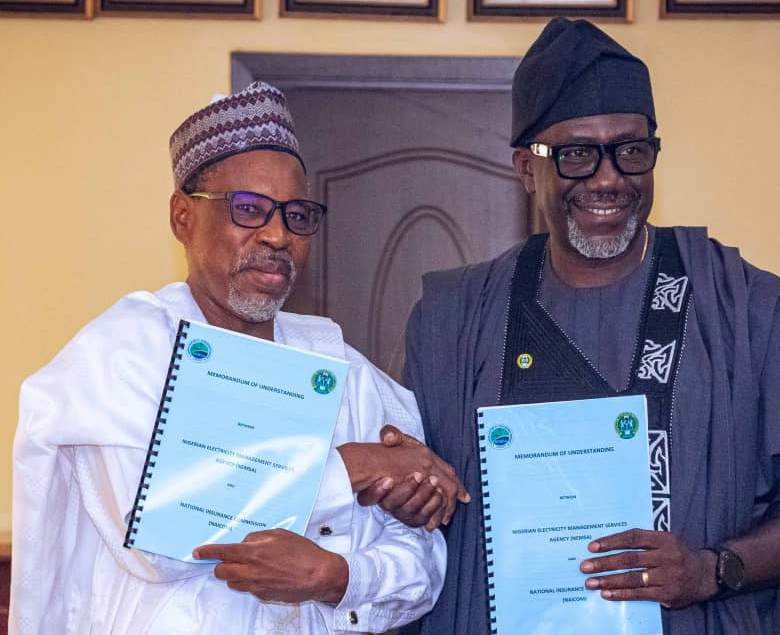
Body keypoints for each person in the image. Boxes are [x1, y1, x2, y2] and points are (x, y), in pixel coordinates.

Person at [401, 18, 780, 635]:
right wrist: (405, 484)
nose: (608, 178)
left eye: (631, 150)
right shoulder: (455, 320)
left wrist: (712, 570)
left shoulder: (744, 307)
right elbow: (404, 490)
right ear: (526, 167)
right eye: (576, 154)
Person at [10, 81, 459, 635]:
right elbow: (169, 535)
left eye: (297, 215)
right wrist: (354, 468)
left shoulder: (344, 372)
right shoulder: (124, 355)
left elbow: (422, 563)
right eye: (248, 209)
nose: (277, 235)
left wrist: (337, 576)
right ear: (182, 217)